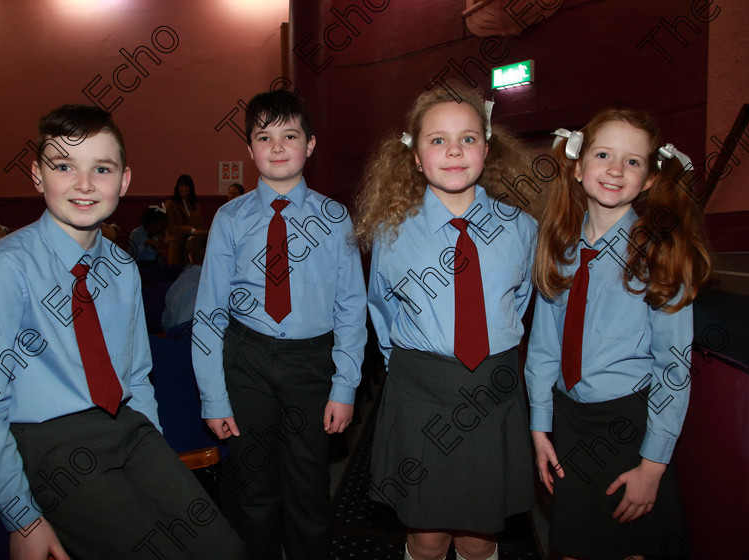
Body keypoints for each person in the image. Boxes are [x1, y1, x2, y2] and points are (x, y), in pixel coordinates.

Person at [0, 104, 244, 560]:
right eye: (64, 166)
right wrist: (22, 518)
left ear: (123, 181)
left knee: (223, 549)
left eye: (101, 168)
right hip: (52, 441)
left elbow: (138, 376)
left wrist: (156, 458)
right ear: (37, 176)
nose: (84, 184)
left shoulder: (122, 266)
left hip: (129, 425)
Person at [355, 85, 537, 560]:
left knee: (480, 538)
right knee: (428, 536)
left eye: (468, 138)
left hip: (492, 392)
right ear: (415, 157)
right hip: (420, 392)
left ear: (487, 148)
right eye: (437, 140)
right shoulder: (391, 231)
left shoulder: (521, 228)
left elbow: (517, 303)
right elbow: (382, 307)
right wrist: (414, 366)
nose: (454, 150)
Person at [525, 110, 713, 560]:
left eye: (633, 162)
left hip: (630, 425)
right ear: (577, 164)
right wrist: (540, 424)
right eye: (604, 154)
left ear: (648, 180)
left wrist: (652, 468)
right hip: (569, 421)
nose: (615, 169)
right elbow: (544, 346)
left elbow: (673, 367)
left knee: (630, 547)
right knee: (569, 546)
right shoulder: (560, 248)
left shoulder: (660, 254)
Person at [192, 89, 367, 560]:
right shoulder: (230, 219)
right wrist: (213, 395)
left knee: (309, 490)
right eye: (263, 137)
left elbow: (352, 306)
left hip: (313, 364)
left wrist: (345, 386)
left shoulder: (335, 218)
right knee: (253, 489)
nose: (276, 146)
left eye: (289, 135)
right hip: (245, 360)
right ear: (249, 149)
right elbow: (210, 313)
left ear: (310, 145)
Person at [162, 232, 207, 330]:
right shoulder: (203, 288)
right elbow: (184, 323)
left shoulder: (183, 278)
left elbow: (165, 317)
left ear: (190, 258)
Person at [165, 174, 204, 264]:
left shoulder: (196, 205)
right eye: (181, 186)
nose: (183, 189)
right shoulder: (171, 204)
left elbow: (200, 223)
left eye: (186, 186)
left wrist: (199, 233)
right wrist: (191, 230)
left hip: (193, 246)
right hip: (177, 245)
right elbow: (171, 226)